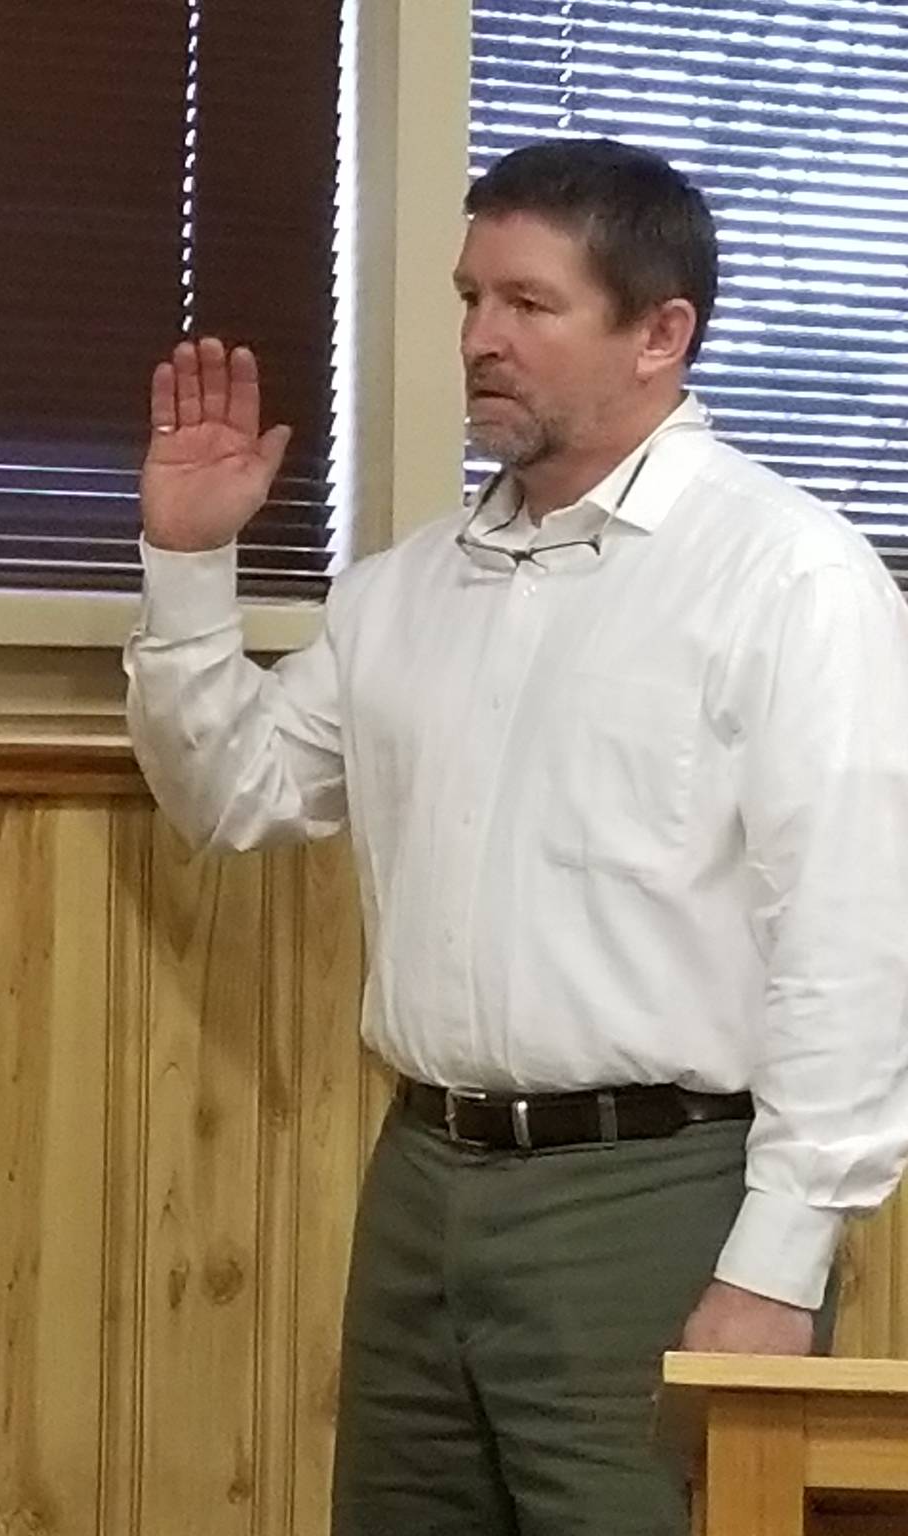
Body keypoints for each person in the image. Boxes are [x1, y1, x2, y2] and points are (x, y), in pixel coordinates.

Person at [125, 136, 908, 1535]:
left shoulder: (788, 578)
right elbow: (231, 795)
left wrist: (781, 1265)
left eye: (529, 305)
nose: (481, 339)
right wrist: (191, 565)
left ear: (660, 332)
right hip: (424, 1180)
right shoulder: (409, 590)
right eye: (469, 299)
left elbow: (855, 945)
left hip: (660, 1196)